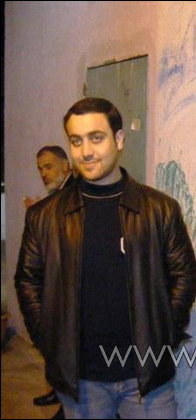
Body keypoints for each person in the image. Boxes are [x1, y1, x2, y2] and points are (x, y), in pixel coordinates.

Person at [15, 97, 196, 419]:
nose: (86, 151)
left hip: (147, 380)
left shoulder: (159, 209)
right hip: (82, 383)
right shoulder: (45, 216)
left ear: (119, 139)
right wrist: (49, 340)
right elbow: (28, 281)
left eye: (96, 138)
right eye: (76, 141)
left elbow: (183, 276)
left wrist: (162, 334)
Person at [26, 146, 74, 417]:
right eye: (40, 169)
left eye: (48, 166)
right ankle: (61, 395)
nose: (43, 173)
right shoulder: (57, 197)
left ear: (65, 165)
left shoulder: (72, 195)